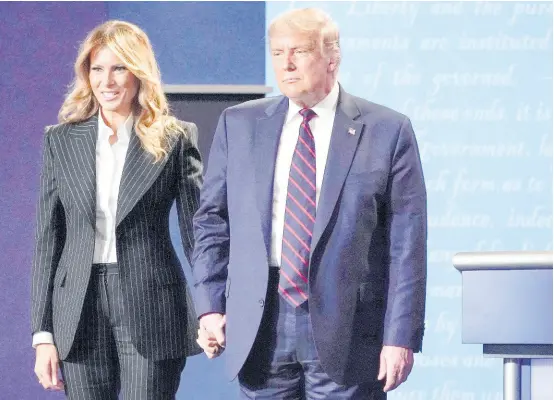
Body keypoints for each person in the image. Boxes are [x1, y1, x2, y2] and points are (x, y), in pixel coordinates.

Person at [193, 7, 427, 399]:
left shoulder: (387, 130)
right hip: (260, 323)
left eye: (299, 51)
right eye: (277, 52)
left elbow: (407, 246)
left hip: (350, 328)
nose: (286, 64)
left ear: (332, 58)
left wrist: (400, 336)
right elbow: (212, 221)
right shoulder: (240, 124)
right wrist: (209, 306)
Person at [31, 20, 203, 399]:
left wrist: (210, 309)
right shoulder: (60, 140)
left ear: (139, 73)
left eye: (119, 67)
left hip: (151, 304)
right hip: (76, 307)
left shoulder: (175, 138)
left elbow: (197, 235)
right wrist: (42, 334)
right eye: (97, 69)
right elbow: (48, 240)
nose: (106, 81)